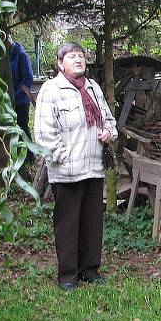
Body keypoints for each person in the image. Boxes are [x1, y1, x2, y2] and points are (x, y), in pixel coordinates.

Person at [34, 43, 117, 291]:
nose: (79, 60)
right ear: (60, 63)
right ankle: (68, 275)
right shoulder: (51, 90)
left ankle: (90, 270)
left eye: (81, 56)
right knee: (68, 223)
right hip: (66, 170)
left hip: (93, 166)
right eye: (72, 57)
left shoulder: (93, 88)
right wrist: (63, 156)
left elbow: (109, 119)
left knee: (92, 221)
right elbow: (44, 133)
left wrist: (107, 132)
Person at [6, 34, 34, 139]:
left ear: (10, 39)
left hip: (20, 101)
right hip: (8, 102)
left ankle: (30, 155)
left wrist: (15, 95)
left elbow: (28, 78)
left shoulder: (21, 54)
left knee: (23, 130)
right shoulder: (4, 55)